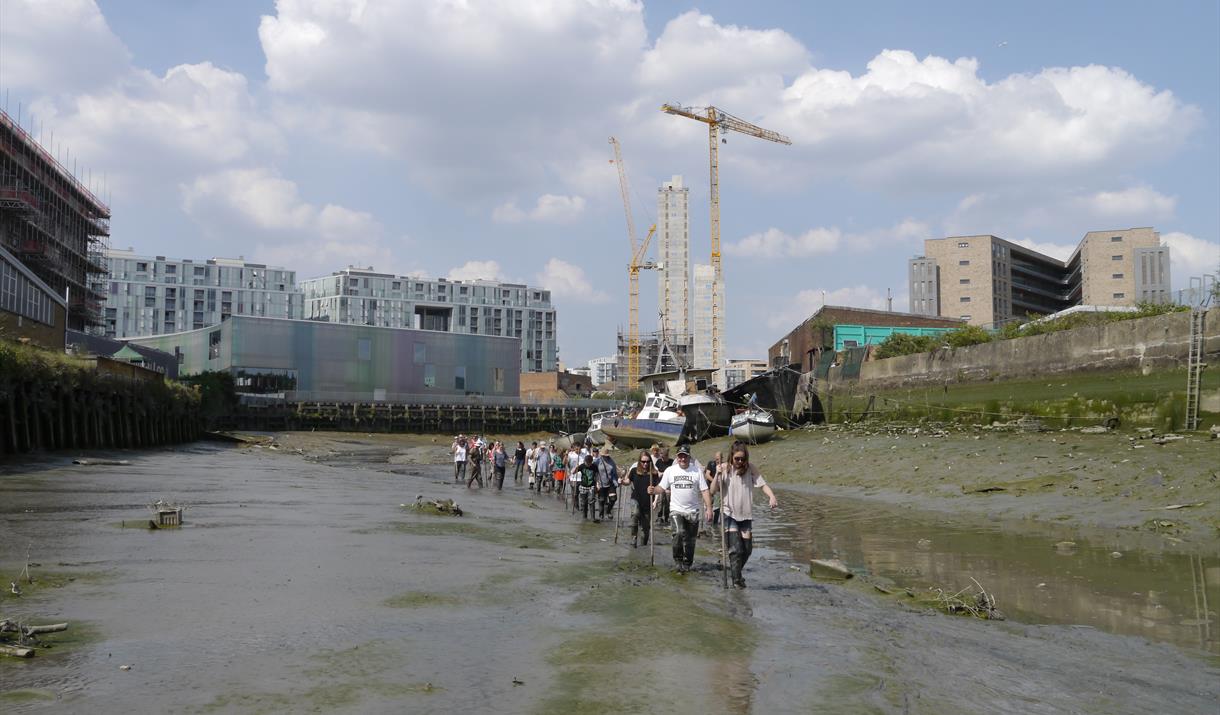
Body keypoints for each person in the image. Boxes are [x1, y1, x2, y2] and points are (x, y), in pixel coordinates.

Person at [710, 444, 778, 588]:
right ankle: (737, 583)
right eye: (737, 459)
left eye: (743, 459)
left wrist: (771, 496)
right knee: (736, 550)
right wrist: (717, 474)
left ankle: (736, 574)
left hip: (746, 515)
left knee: (746, 550)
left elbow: (763, 484)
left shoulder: (750, 468)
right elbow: (713, 490)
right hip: (729, 513)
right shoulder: (724, 468)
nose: (740, 462)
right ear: (731, 457)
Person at [650, 445, 711, 573]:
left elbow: (705, 490)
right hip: (676, 509)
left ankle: (687, 563)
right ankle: (678, 561)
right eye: (680, 456)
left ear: (689, 457)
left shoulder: (696, 471)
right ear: (677, 457)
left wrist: (709, 508)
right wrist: (653, 490)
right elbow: (661, 487)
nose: (682, 458)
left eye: (685, 456)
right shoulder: (670, 471)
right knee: (678, 533)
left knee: (690, 540)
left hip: (693, 511)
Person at [621, 450, 658, 547]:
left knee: (645, 528)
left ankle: (644, 545)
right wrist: (622, 482)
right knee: (635, 514)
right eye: (643, 461)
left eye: (647, 461)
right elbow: (628, 482)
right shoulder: (634, 471)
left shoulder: (653, 473)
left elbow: (658, 488)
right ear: (639, 461)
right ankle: (633, 538)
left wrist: (655, 501)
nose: (645, 464)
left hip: (648, 502)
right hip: (636, 499)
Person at [594, 448, 619, 522]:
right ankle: (601, 516)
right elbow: (594, 473)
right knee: (601, 500)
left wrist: (617, 481)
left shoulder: (612, 462)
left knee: (613, 498)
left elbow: (615, 473)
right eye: (604, 455)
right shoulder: (597, 461)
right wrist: (596, 483)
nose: (605, 457)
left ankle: (608, 511)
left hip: (611, 483)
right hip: (601, 483)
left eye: (606, 455)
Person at [574, 453, 599, 521]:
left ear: (591, 462)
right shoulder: (582, 466)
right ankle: (584, 517)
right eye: (586, 463)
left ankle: (592, 517)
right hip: (583, 486)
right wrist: (576, 468)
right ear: (584, 461)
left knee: (592, 501)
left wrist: (597, 484)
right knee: (584, 502)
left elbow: (597, 476)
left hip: (592, 486)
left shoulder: (594, 466)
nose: (587, 464)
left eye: (589, 463)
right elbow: (573, 472)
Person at [653, 447, 673, 524]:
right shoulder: (658, 462)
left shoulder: (672, 462)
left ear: (667, 455)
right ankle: (659, 516)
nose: (662, 458)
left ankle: (667, 516)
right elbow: (656, 472)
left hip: (669, 485)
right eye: (660, 456)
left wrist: (665, 474)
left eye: (663, 457)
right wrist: (659, 473)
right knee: (661, 501)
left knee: (668, 501)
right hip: (660, 483)